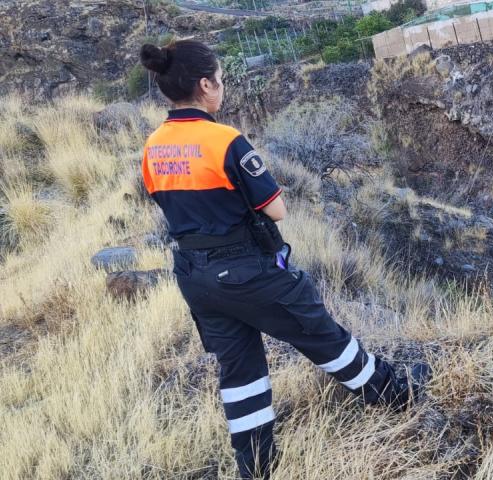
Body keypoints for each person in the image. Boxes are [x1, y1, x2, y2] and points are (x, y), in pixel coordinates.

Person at [138, 40, 429, 479]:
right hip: (248, 270)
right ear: (205, 85)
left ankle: (255, 465)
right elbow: (276, 208)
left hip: (195, 277)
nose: (223, 86)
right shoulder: (225, 140)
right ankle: (394, 393)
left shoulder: (152, 147)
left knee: (240, 371)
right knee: (322, 334)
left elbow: (167, 204)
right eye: (221, 79)